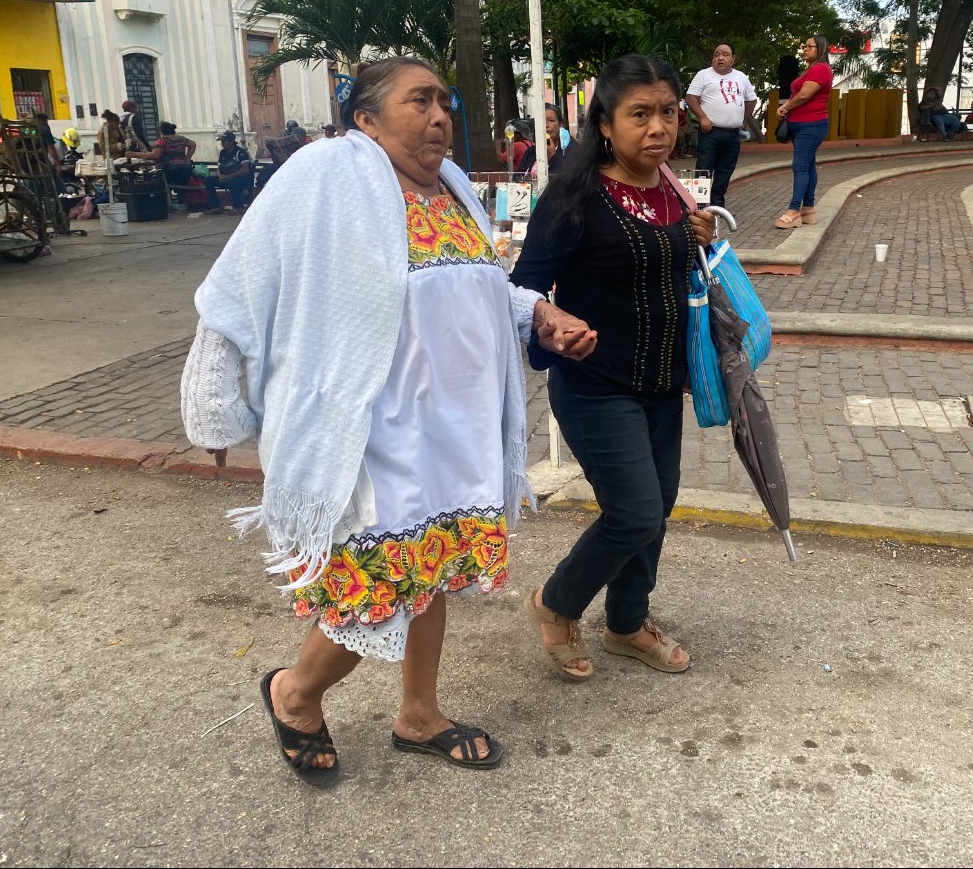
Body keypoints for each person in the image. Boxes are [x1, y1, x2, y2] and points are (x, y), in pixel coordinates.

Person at [181, 56, 595, 784]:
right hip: (374, 435)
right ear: (365, 118)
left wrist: (540, 313)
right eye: (419, 101)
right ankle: (295, 693)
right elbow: (239, 282)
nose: (440, 116)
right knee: (375, 585)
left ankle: (419, 713)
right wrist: (217, 408)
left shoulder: (455, 188)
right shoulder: (327, 175)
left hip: (451, 434)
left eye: (446, 102)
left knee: (429, 570)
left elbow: (478, 290)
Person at [510, 54, 717, 681]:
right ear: (604, 123)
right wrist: (553, 330)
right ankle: (556, 603)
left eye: (668, 113)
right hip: (595, 387)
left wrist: (697, 236)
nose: (658, 128)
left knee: (658, 509)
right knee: (634, 512)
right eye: (640, 115)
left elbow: (672, 275)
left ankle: (627, 622)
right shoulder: (574, 196)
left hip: (662, 385)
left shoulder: (674, 191)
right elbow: (525, 288)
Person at [685, 42, 758, 207]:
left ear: (733, 58)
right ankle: (699, 206)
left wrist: (743, 120)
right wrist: (703, 117)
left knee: (726, 170)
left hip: (733, 134)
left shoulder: (741, 77)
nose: (720, 58)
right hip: (710, 132)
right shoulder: (704, 75)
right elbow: (690, 98)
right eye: (716, 54)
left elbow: (751, 99)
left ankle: (717, 203)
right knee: (704, 169)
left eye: (725, 54)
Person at [775, 34, 834, 228]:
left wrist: (785, 108)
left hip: (812, 124)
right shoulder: (810, 69)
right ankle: (808, 209)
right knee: (807, 166)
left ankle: (793, 212)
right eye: (805, 45)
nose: (805, 49)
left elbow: (804, 95)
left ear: (820, 49)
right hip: (803, 124)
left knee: (799, 166)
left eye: (810, 46)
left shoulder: (821, 69)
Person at [124, 122, 197, 209]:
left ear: (161, 131)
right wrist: (187, 159)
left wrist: (135, 155)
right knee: (182, 184)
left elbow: (155, 155)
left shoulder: (162, 141)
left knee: (157, 179)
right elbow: (193, 144)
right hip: (185, 169)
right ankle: (183, 202)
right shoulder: (181, 139)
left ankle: (166, 203)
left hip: (170, 170)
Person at [202, 130, 252, 216]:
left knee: (233, 180)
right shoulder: (222, 153)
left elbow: (245, 169)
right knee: (208, 180)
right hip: (226, 178)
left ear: (231, 142)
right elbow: (219, 167)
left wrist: (228, 176)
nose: (222, 143)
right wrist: (220, 175)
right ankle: (215, 207)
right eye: (221, 141)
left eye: (224, 141)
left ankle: (238, 207)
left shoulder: (240, 152)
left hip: (240, 179)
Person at [518, 103, 566, 177]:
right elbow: (517, 178)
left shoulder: (571, 151)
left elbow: (568, 182)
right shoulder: (530, 152)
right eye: (541, 121)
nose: (546, 125)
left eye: (551, 120)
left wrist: (553, 157)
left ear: (560, 124)